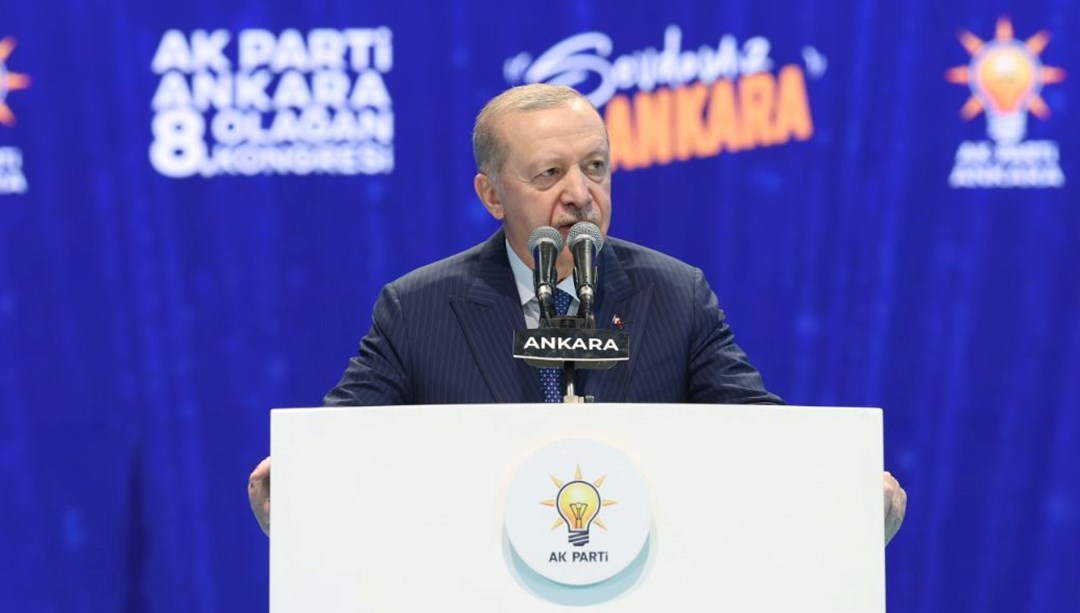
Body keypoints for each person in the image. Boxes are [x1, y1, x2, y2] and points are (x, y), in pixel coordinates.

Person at [248, 83, 907, 543]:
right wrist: (298, 492)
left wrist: (840, 499)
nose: (580, 195)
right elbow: (340, 448)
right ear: (492, 195)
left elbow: (760, 438)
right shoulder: (418, 307)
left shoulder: (675, 295)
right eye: (549, 174)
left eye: (595, 167)